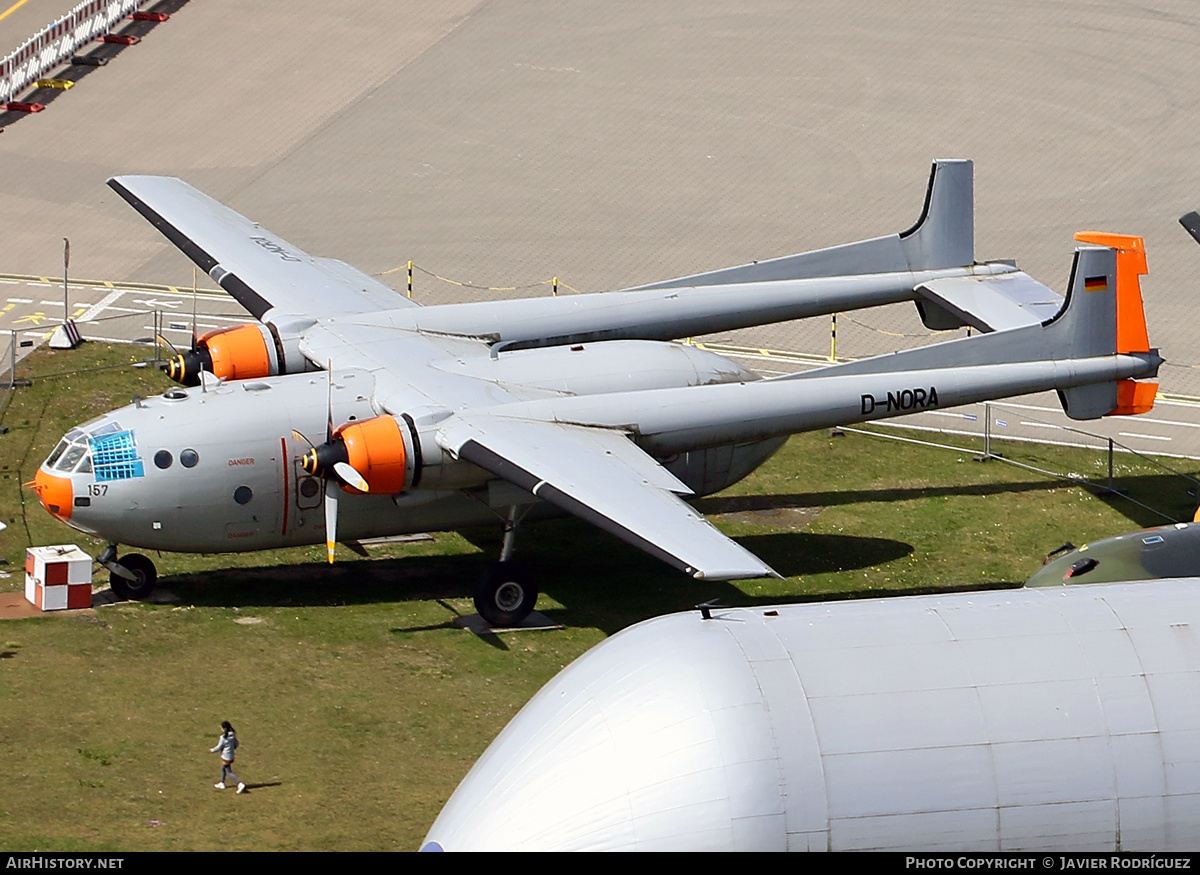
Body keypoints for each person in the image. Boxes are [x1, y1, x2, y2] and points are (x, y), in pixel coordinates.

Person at [210, 720, 246, 794]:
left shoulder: (223, 738)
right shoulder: (233, 736)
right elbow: (236, 743)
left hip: (225, 756)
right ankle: (222, 783)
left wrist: (212, 750)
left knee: (228, 772)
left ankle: (239, 783)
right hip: (231, 756)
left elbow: (219, 747)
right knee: (222, 768)